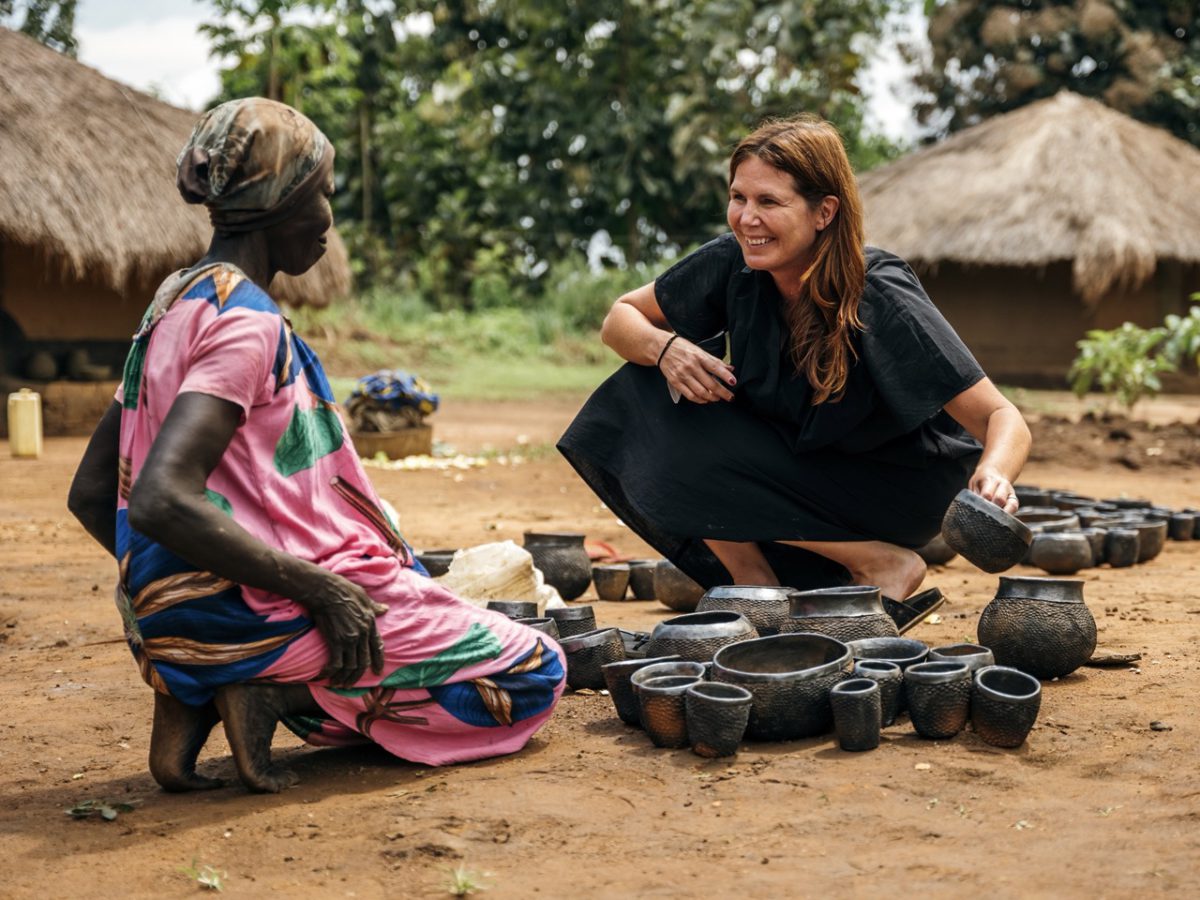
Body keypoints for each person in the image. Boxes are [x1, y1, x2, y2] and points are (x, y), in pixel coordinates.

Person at [68, 98, 564, 794]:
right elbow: (158, 498)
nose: (329, 218)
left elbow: (94, 493)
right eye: (322, 196)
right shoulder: (247, 324)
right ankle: (266, 689)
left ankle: (200, 689)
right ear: (280, 206)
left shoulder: (170, 305)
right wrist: (313, 590)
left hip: (166, 627)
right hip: (262, 615)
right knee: (534, 668)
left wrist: (169, 594)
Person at [558, 114, 1030, 623]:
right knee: (643, 391)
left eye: (769, 202)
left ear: (824, 211)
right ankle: (756, 582)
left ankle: (880, 561)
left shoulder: (878, 291)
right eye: (738, 197)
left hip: (891, 486)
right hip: (799, 466)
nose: (746, 218)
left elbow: (1001, 417)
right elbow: (619, 319)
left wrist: (995, 474)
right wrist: (666, 347)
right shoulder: (733, 263)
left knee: (661, 395)